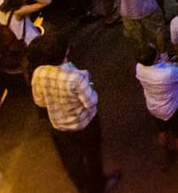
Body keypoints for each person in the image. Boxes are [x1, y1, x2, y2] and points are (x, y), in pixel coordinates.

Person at [30, 32, 120, 193]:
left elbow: (40, 102)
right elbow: (91, 102)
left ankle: (82, 187)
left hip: (59, 127)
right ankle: (98, 186)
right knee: (93, 157)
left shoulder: (38, 73)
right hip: (85, 125)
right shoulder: (77, 77)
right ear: (66, 51)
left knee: (72, 162)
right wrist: (89, 81)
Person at [134, 43, 178, 165]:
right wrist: (170, 63)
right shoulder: (167, 73)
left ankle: (164, 158)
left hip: (154, 107)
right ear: (155, 57)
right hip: (173, 107)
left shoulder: (139, 67)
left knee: (162, 131)